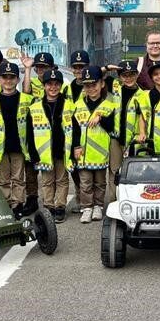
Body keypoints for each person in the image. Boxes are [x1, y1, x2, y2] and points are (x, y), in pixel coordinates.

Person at [64, 65, 117, 223]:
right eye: (87, 85)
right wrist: (75, 147)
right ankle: (86, 207)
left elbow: (112, 127)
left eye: (94, 84)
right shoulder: (78, 106)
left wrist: (101, 117)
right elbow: (74, 129)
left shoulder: (109, 105)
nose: (91, 88)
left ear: (101, 84)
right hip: (83, 153)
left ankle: (98, 207)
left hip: (101, 153)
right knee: (85, 183)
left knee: (100, 183)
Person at [0, 62, 34, 219]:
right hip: (0, 149)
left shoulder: (27, 100)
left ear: (17, 80)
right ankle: (5, 206)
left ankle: (17, 205)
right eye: (5, 77)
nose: (8, 81)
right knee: (3, 180)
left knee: (18, 179)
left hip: (19, 147)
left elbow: (31, 128)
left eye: (12, 78)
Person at [27, 69, 69, 223]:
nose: (53, 87)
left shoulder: (69, 105)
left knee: (62, 179)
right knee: (46, 181)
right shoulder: (35, 106)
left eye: (56, 84)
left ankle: (60, 207)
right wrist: (33, 153)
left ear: (61, 85)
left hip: (62, 150)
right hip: (43, 152)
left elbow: (76, 129)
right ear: (44, 86)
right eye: (49, 84)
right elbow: (29, 133)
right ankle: (48, 205)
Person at [104, 60, 144, 203]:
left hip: (132, 140)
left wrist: (141, 134)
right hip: (115, 138)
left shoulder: (142, 94)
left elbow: (143, 117)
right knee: (114, 171)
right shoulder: (114, 87)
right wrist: (108, 67)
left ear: (137, 75)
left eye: (131, 74)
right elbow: (96, 75)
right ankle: (114, 200)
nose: (128, 78)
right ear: (119, 77)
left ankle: (132, 200)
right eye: (124, 75)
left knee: (133, 171)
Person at [20, 51, 55, 215]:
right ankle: (32, 198)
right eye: (38, 67)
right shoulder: (32, 82)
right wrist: (27, 69)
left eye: (44, 67)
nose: (41, 70)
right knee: (30, 167)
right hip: (34, 130)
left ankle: (53, 201)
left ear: (52, 67)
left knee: (53, 169)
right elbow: (26, 94)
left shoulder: (56, 83)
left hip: (52, 132)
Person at [62, 50, 90, 212]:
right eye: (76, 67)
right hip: (73, 133)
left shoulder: (96, 85)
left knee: (90, 171)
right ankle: (81, 198)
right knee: (76, 169)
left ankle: (90, 201)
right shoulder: (69, 88)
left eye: (82, 66)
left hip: (92, 134)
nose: (79, 70)